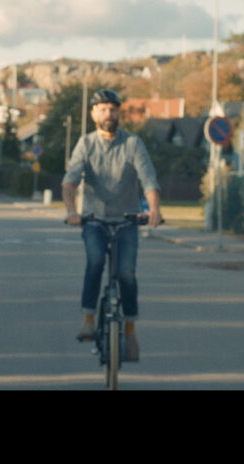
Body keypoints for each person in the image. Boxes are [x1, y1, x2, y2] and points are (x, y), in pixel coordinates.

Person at [62, 88, 162, 362]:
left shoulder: (133, 143)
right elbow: (70, 181)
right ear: (94, 113)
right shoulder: (86, 144)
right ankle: (88, 319)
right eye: (104, 109)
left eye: (113, 109)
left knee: (126, 273)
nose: (109, 113)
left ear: (119, 113)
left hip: (127, 221)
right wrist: (71, 211)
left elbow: (149, 180)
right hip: (94, 221)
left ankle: (129, 330)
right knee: (95, 262)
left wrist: (154, 209)